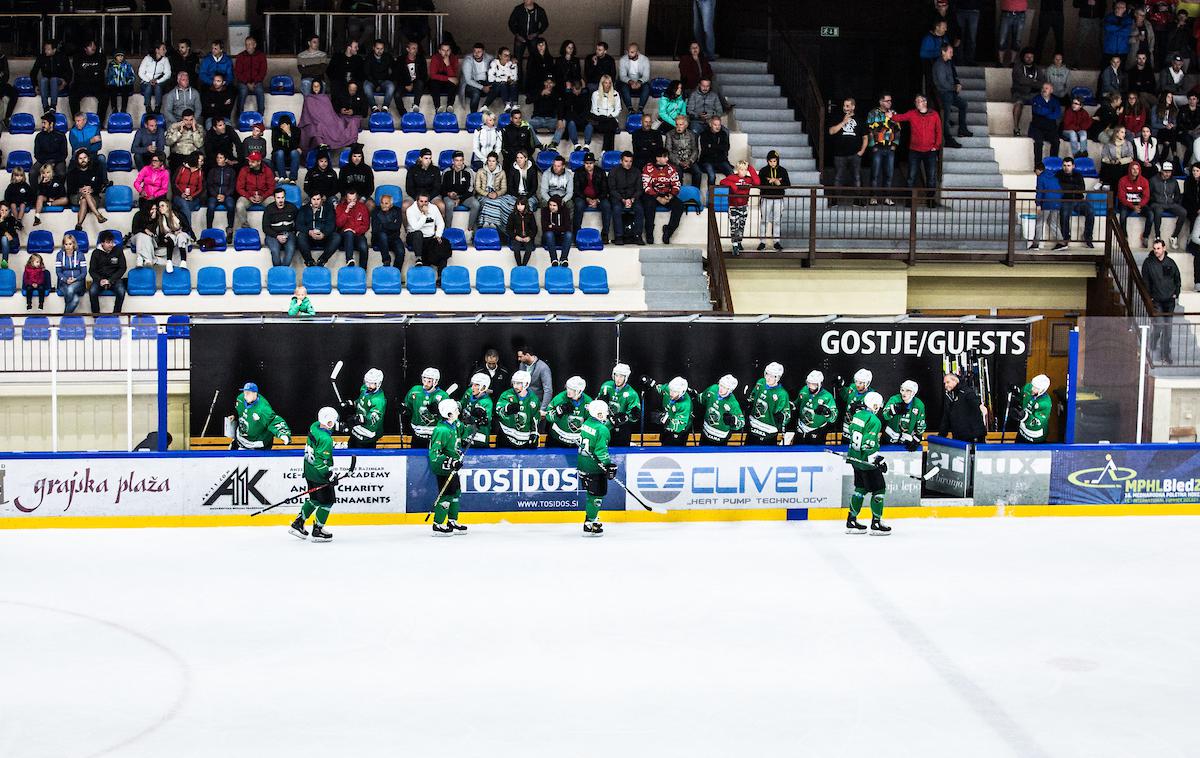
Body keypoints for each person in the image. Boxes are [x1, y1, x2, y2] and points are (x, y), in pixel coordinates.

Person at [287, 406, 339, 542]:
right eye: (333, 421)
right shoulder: (327, 440)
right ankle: (318, 530)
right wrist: (329, 475)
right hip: (319, 474)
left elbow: (323, 432)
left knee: (315, 499)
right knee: (327, 502)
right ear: (329, 422)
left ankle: (298, 523)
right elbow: (319, 461)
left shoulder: (314, 426)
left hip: (308, 472)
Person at [845, 391, 890, 535]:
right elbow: (868, 444)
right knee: (879, 490)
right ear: (875, 405)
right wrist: (877, 459)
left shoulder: (857, 415)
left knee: (861, 488)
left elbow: (851, 434)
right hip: (866, 462)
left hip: (854, 459)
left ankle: (851, 520)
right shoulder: (874, 420)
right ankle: (876, 523)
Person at [427, 398, 468, 536]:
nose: (458, 411)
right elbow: (434, 454)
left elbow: (462, 435)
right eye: (456, 410)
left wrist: (475, 425)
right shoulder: (442, 430)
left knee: (455, 492)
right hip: (443, 468)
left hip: (452, 467)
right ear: (449, 414)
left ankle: (452, 521)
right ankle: (438, 524)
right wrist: (451, 462)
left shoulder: (454, 424)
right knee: (446, 495)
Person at [894, 94, 943, 199]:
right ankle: (909, 200)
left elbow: (939, 131)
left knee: (931, 177)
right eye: (916, 101)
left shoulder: (934, 114)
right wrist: (891, 116)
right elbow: (900, 117)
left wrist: (936, 146)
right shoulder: (912, 113)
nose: (917, 103)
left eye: (919, 101)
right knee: (911, 177)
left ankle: (930, 200)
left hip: (930, 151)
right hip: (915, 150)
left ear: (925, 102)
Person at [1142, 238, 1181, 363]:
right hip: (1156, 300)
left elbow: (1177, 279)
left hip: (1169, 301)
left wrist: (1176, 293)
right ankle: (1153, 342)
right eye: (1154, 248)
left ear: (1164, 248)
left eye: (1158, 248)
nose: (1156, 251)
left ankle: (1166, 355)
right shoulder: (1148, 263)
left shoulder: (1171, 262)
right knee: (1159, 325)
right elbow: (1146, 281)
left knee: (1168, 329)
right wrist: (1149, 297)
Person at [298, 79, 362, 153]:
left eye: (317, 86)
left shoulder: (325, 98)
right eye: (314, 86)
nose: (316, 88)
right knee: (319, 126)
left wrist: (330, 121)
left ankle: (350, 142)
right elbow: (308, 114)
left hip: (327, 121)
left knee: (339, 123)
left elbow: (330, 113)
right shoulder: (308, 99)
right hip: (314, 121)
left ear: (321, 87)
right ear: (311, 87)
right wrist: (319, 120)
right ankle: (322, 145)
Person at [229, 382, 291, 452]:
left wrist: (283, 434)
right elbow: (240, 409)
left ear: (255, 393)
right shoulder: (241, 398)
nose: (245, 396)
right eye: (244, 392)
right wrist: (234, 415)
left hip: (257, 444)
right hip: (241, 440)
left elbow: (273, 420)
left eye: (248, 393)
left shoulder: (263, 409)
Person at [641, 149, 684, 244]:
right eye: (664, 157)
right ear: (657, 158)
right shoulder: (648, 168)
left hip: (667, 194)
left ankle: (668, 231)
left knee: (680, 205)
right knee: (648, 205)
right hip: (652, 195)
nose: (667, 159)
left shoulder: (671, 169)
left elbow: (676, 184)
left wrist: (671, 195)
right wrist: (658, 197)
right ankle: (649, 233)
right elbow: (646, 186)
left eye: (667, 156)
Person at [828, 98, 866, 205]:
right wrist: (843, 122)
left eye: (848, 106)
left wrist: (862, 151)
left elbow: (865, 137)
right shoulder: (837, 118)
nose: (845, 108)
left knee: (857, 177)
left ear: (853, 107)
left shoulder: (859, 119)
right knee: (838, 177)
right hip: (839, 154)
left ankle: (858, 200)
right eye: (844, 106)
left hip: (855, 154)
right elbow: (831, 131)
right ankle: (834, 200)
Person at [718, 160, 760, 255]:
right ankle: (735, 245)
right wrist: (732, 185)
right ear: (737, 169)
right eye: (741, 169)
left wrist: (750, 168)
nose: (743, 172)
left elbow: (757, 182)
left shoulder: (749, 179)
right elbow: (722, 181)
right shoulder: (733, 177)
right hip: (733, 206)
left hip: (744, 206)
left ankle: (739, 242)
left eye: (745, 170)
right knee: (734, 226)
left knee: (741, 225)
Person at [742, 363, 789, 446]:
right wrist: (748, 403)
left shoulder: (782, 394)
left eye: (772, 376)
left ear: (777, 378)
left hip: (768, 433)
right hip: (753, 429)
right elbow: (752, 398)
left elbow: (787, 414)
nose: (768, 378)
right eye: (767, 374)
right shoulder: (761, 383)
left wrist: (782, 417)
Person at [1051, 156, 1093, 249]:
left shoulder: (1078, 175)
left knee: (1090, 211)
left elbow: (1081, 189)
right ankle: (1065, 239)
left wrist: (1066, 187)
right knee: (1064, 214)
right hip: (1066, 200)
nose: (1066, 168)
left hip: (1079, 200)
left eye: (1068, 165)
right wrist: (1073, 187)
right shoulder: (1058, 175)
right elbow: (1058, 188)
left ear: (1073, 166)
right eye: (1064, 165)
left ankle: (1088, 237)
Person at [404, 368, 451, 449]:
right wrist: (404, 410)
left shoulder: (443, 396)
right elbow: (409, 408)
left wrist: (438, 412)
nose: (425, 384)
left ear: (435, 382)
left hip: (435, 436)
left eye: (429, 381)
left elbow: (449, 418)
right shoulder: (415, 390)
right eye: (424, 380)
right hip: (417, 434)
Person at [406, 194, 452, 277]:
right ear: (417, 201)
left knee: (443, 246)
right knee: (418, 234)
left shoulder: (434, 208)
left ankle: (441, 276)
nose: (423, 203)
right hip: (414, 237)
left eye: (426, 201)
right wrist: (424, 214)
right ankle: (418, 258)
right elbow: (416, 227)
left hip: (430, 237)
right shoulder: (410, 210)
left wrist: (438, 235)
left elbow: (441, 223)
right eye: (421, 201)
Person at [494, 369, 541, 449]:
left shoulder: (534, 399)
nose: (515, 386)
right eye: (514, 383)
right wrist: (507, 408)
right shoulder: (506, 394)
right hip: (505, 436)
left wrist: (534, 434)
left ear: (526, 384)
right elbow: (498, 410)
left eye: (518, 383)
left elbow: (535, 418)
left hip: (524, 439)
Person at [866, 94, 899, 204]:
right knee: (875, 173)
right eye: (887, 101)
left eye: (890, 100)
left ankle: (887, 197)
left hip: (890, 148)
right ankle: (873, 197)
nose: (889, 102)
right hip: (877, 148)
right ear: (881, 102)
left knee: (889, 173)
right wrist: (873, 145)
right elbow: (869, 131)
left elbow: (898, 130)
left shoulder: (894, 113)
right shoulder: (873, 113)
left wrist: (895, 144)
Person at [642, 375, 692, 446]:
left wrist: (665, 420)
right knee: (663, 440)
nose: (671, 393)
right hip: (667, 420)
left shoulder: (685, 404)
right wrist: (651, 383)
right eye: (671, 390)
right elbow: (661, 388)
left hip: (679, 431)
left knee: (674, 446)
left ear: (681, 392)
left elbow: (680, 425)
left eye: (674, 392)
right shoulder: (670, 389)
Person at [344, 368, 387, 450]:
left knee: (364, 458)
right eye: (367, 382)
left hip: (367, 435)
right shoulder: (364, 389)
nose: (368, 385)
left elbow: (374, 418)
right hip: (356, 430)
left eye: (371, 383)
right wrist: (351, 403)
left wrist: (361, 419)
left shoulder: (378, 400)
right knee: (351, 448)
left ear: (378, 383)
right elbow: (361, 402)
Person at [608, 151, 644, 245]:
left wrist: (632, 199)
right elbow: (612, 189)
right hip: (618, 198)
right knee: (616, 209)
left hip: (633, 198)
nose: (628, 164)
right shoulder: (614, 171)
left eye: (630, 161)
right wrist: (623, 200)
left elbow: (639, 189)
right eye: (626, 161)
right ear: (621, 161)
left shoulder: (636, 171)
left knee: (639, 209)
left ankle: (637, 236)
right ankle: (619, 236)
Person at [66, 149, 107, 232]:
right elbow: (70, 189)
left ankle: (79, 224)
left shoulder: (95, 170)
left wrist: (91, 189)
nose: (83, 160)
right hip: (76, 196)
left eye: (85, 157)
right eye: (80, 158)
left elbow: (100, 186)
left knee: (85, 199)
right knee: (85, 196)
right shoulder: (72, 172)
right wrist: (79, 189)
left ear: (88, 158)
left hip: (93, 197)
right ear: (77, 160)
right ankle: (98, 215)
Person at [86, 230, 127, 314]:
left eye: (112, 242)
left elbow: (122, 268)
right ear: (102, 243)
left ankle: (116, 314)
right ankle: (96, 315)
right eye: (108, 242)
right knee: (92, 292)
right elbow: (92, 270)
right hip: (99, 279)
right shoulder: (95, 253)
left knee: (121, 291)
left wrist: (111, 280)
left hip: (114, 279)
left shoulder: (118, 251)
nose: (111, 245)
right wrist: (100, 280)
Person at [1148, 161, 1187, 248]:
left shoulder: (1173, 181)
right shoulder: (1153, 180)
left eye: (1169, 172)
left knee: (1183, 212)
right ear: (1161, 171)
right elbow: (1148, 194)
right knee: (1157, 212)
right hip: (1157, 203)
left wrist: (1174, 201)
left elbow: (1177, 194)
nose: (1167, 174)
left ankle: (1174, 236)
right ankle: (1157, 236)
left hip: (1170, 203)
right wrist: (1154, 200)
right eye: (1166, 172)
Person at [545, 376, 592, 448]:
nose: (568, 391)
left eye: (572, 389)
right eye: (568, 387)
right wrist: (559, 412)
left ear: (579, 391)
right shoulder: (560, 398)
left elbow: (593, 423)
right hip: (557, 440)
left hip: (576, 442)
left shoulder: (588, 402)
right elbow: (548, 416)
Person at [939, 372, 987, 442]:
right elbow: (946, 418)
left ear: (955, 381)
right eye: (944, 383)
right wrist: (941, 436)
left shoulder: (966, 391)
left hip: (973, 436)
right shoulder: (949, 397)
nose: (946, 385)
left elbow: (975, 401)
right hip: (959, 438)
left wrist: (981, 406)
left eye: (948, 382)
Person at [508, 0, 550, 81]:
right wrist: (517, 34)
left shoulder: (539, 10)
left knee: (534, 60)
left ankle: (532, 82)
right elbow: (511, 22)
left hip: (533, 38)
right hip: (520, 37)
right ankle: (518, 85)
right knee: (517, 61)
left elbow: (545, 23)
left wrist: (537, 33)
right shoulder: (518, 9)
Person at [792, 370, 836, 446]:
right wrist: (792, 406)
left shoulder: (827, 397)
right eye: (809, 383)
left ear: (820, 384)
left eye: (814, 384)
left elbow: (834, 417)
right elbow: (797, 403)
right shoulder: (804, 389)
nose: (811, 387)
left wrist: (827, 413)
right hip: (801, 428)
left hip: (816, 431)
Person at [698, 375, 745, 446]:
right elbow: (701, 399)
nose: (721, 389)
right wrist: (694, 396)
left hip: (720, 439)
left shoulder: (732, 403)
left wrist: (733, 421)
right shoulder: (713, 389)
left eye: (724, 387)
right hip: (705, 433)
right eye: (721, 385)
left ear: (730, 390)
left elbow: (741, 422)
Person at [756, 150, 789, 249]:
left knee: (777, 221)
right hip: (766, 199)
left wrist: (779, 183)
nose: (772, 163)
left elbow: (787, 184)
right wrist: (769, 182)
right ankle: (762, 242)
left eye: (774, 161)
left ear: (777, 161)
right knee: (764, 220)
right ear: (767, 161)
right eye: (770, 161)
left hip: (778, 199)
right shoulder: (763, 171)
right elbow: (758, 184)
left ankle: (776, 242)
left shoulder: (783, 170)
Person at [235, 151, 276, 229]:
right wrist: (249, 196)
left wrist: (263, 197)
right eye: (249, 161)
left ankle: (272, 226)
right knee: (239, 205)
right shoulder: (244, 170)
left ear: (259, 162)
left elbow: (272, 187)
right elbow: (239, 187)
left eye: (252, 161)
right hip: (249, 196)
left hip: (264, 195)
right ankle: (245, 226)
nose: (250, 163)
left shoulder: (267, 170)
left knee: (274, 203)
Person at [572, 152, 609, 238]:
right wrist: (587, 199)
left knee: (606, 205)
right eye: (586, 163)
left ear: (594, 163)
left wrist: (597, 200)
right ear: (584, 163)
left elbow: (605, 189)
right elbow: (577, 190)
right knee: (579, 204)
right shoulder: (578, 172)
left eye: (591, 163)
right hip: (583, 197)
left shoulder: (601, 172)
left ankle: (605, 234)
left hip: (598, 197)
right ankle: (576, 233)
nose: (589, 165)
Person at [297, 191, 338, 266]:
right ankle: (309, 261)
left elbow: (331, 225)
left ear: (321, 199)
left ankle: (322, 260)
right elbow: (299, 225)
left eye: (318, 199)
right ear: (310, 199)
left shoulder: (328, 209)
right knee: (300, 236)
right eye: (314, 199)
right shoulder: (304, 209)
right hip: (309, 237)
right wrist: (309, 232)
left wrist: (324, 234)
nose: (316, 202)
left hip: (323, 237)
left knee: (336, 237)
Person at [1029, 159, 1063, 250]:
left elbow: (1040, 191)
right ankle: (1061, 243)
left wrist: (1038, 204)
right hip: (1057, 203)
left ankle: (1035, 244)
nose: (1035, 174)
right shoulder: (1054, 176)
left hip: (1046, 203)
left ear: (1038, 170)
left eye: (1035, 171)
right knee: (1053, 223)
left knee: (1039, 223)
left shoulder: (1041, 177)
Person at [882, 380, 926, 450]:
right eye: (902, 390)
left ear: (913, 393)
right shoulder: (895, 399)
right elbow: (885, 415)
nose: (904, 393)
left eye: (908, 391)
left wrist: (917, 439)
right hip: (890, 436)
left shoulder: (918, 405)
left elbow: (920, 424)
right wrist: (892, 411)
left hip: (906, 439)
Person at [474, 152, 513, 231]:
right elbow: (477, 188)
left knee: (497, 202)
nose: (491, 163)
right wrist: (487, 194)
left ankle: (491, 223)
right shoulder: (480, 171)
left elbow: (504, 188)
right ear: (487, 161)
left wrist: (496, 194)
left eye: (493, 161)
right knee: (489, 202)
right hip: (483, 195)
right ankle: (488, 224)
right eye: (489, 161)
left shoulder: (502, 172)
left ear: (497, 162)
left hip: (496, 195)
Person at [1010, 48, 1043, 138]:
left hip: (1034, 94)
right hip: (1019, 93)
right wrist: (1034, 82)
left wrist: (1029, 82)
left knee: (1041, 105)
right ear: (1023, 57)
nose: (1029, 58)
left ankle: (1038, 130)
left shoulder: (1038, 68)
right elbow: (1020, 80)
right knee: (1018, 104)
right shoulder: (1017, 66)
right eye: (1027, 57)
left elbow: (1041, 83)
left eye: (1031, 57)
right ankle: (1016, 128)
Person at [262, 188, 299, 267]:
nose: (281, 200)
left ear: (285, 197)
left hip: (288, 233)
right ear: (274, 198)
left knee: (291, 249)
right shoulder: (269, 209)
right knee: (275, 250)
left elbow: (298, 223)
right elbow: (265, 227)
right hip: (273, 234)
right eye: (278, 198)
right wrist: (277, 236)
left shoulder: (292, 207)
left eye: (282, 197)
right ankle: (277, 271)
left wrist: (293, 233)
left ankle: (283, 271)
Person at [440, 150, 476, 230]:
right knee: (449, 205)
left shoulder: (468, 171)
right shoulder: (446, 172)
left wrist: (460, 199)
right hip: (449, 196)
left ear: (463, 161)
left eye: (461, 160)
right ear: (453, 161)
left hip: (465, 197)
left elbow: (471, 189)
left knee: (476, 204)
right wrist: (449, 193)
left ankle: (470, 229)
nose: (459, 163)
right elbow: (442, 188)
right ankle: (448, 229)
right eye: (457, 160)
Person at [334, 189, 370, 268]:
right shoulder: (340, 207)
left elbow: (366, 225)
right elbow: (338, 224)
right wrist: (346, 211)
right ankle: (349, 260)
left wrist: (355, 230)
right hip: (344, 235)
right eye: (349, 199)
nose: (352, 201)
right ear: (346, 198)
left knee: (364, 247)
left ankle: (363, 271)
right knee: (349, 233)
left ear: (356, 198)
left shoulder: (362, 207)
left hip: (358, 234)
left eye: (354, 199)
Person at [31, 41, 70, 113]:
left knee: (54, 79)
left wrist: (65, 81)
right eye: (45, 49)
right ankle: (45, 107)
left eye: (48, 49)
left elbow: (69, 71)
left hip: (58, 81)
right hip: (46, 82)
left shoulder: (62, 56)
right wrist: (35, 85)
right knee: (43, 80)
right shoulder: (41, 57)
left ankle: (53, 106)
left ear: (54, 50)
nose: (45, 51)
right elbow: (33, 72)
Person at [404, 149, 446, 216]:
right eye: (426, 158)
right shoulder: (412, 169)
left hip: (431, 196)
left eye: (430, 158)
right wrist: (418, 199)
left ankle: (441, 226)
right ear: (420, 158)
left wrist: (428, 199)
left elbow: (437, 188)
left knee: (441, 206)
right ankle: (407, 226)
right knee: (405, 206)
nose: (428, 161)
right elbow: (409, 187)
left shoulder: (436, 170)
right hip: (415, 195)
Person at [1029, 82, 1063, 163]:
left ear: (1051, 90)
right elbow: (1038, 111)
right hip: (1037, 128)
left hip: (1050, 128)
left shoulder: (1055, 101)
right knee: (1038, 142)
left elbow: (1057, 114)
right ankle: (1038, 165)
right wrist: (1050, 111)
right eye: (1043, 88)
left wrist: (1046, 112)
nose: (1044, 90)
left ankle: (1052, 164)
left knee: (1056, 142)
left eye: (1046, 88)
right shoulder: (1036, 99)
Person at [585, 76, 622, 152]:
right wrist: (603, 117)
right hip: (599, 120)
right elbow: (594, 110)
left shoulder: (616, 94)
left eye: (609, 83)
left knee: (610, 125)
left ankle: (604, 151)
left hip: (611, 118)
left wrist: (611, 115)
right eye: (606, 83)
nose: (608, 85)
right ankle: (609, 152)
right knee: (611, 126)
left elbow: (618, 109)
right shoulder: (595, 94)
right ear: (602, 84)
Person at [204, 150, 237, 235]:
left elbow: (232, 186)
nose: (218, 160)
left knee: (231, 205)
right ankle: (209, 229)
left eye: (221, 158)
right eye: (217, 158)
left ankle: (230, 229)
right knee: (210, 206)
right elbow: (209, 185)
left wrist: (225, 195)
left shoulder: (231, 171)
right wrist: (216, 195)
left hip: (227, 195)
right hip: (214, 195)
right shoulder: (212, 171)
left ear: (225, 160)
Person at [838, 368, 876, 440]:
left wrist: (861, 409)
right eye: (856, 381)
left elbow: (873, 413)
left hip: (860, 428)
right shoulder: (852, 387)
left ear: (867, 383)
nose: (857, 384)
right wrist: (840, 388)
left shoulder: (871, 395)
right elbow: (845, 396)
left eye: (860, 383)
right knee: (845, 445)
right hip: (847, 424)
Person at [459, 373, 495, 448]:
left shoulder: (487, 402)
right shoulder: (469, 392)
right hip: (465, 433)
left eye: (476, 385)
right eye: (472, 384)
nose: (472, 387)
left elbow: (484, 421)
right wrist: (455, 405)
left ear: (483, 387)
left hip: (479, 436)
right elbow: (462, 404)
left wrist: (478, 416)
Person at [370, 193, 405, 268]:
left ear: (391, 204)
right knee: (382, 235)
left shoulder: (397, 211)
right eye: (382, 203)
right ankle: (386, 260)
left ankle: (396, 271)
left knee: (401, 251)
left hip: (394, 238)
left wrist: (383, 225)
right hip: (379, 239)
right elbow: (376, 229)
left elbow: (397, 226)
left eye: (386, 203)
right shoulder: (376, 211)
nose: (384, 205)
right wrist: (390, 224)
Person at [698, 115, 734, 186]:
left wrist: (712, 146)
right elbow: (705, 150)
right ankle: (710, 196)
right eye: (715, 125)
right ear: (710, 124)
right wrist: (719, 147)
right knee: (712, 176)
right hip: (707, 161)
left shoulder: (723, 134)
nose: (717, 127)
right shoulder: (704, 134)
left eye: (719, 125)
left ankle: (729, 195)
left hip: (721, 160)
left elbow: (726, 147)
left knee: (731, 174)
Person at [55, 233, 86, 314]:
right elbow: (58, 272)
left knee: (70, 289)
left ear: (74, 244)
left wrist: (76, 279)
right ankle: (66, 320)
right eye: (66, 244)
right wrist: (65, 280)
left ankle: (63, 319)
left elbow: (84, 272)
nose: (68, 246)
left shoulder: (80, 255)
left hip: (78, 282)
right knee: (75, 300)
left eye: (70, 244)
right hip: (64, 283)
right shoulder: (59, 255)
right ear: (63, 245)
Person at [172, 155, 203, 234]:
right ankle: (188, 232)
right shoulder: (181, 169)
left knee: (184, 208)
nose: (202, 162)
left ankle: (184, 231)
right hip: (179, 197)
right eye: (200, 160)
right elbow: (174, 183)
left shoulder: (200, 172)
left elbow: (201, 188)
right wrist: (181, 193)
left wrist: (192, 196)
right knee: (184, 204)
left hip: (193, 198)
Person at [1016, 375, 1052, 443]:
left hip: (1035, 437)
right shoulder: (1028, 388)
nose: (1032, 388)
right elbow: (1021, 397)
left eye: (1036, 388)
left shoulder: (1045, 403)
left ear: (1042, 390)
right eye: (1033, 386)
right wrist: (1016, 393)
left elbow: (1037, 422)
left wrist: (1025, 417)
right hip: (1022, 431)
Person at [362, 39, 395, 114]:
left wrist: (388, 78)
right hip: (372, 81)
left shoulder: (388, 57)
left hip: (384, 81)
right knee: (366, 86)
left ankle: (385, 107)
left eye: (381, 49)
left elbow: (394, 70)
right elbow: (367, 73)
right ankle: (374, 107)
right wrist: (376, 84)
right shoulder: (369, 58)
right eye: (377, 48)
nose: (380, 51)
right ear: (373, 48)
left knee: (391, 86)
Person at [68, 111, 106, 176]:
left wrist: (83, 147)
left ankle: (104, 182)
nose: (76, 123)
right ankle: (72, 185)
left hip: (92, 155)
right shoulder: (72, 131)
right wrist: (90, 141)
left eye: (78, 121)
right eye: (75, 121)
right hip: (77, 156)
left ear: (85, 121)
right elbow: (75, 146)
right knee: (71, 165)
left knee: (101, 158)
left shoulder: (95, 129)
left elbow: (98, 146)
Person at [33, 113, 68, 180]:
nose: (42, 125)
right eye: (42, 123)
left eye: (44, 123)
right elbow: (37, 153)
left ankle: (60, 190)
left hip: (58, 161)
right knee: (32, 172)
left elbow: (64, 154)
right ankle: (36, 190)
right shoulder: (39, 136)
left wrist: (53, 162)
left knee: (61, 173)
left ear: (51, 124)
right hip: (43, 160)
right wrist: (47, 162)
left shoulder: (61, 135)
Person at [139, 42, 172, 113]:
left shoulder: (165, 60)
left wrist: (157, 81)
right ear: (157, 50)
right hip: (146, 82)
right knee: (149, 86)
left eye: (165, 49)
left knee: (158, 86)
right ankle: (148, 107)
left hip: (159, 82)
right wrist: (149, 80)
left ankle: (158, 107)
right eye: (163, 49)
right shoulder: (147, 58)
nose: (165, 50)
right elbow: (140, 72)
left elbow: (168, 74)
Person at [395, 40, 427, 112]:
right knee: (397, 95)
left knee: (420, 83)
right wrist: (406, 85)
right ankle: (403, 114)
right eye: (413, 48)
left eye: (416, 48)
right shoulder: (401, 60)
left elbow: (424, 75)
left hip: (416, 83)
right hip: (403, 83)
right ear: (408, 49)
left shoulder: (421, 59)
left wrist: (412, 84)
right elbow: (396, 75)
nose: (415, 50)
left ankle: (415, 106)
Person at [429, 42, 461, 113]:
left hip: (448, 83)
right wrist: (448, 78)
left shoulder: (454, 58)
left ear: (450, 51)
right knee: (433, 83)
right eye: (443, 50)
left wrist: (448, 64)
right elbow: (433, 75)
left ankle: (450, 106)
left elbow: (454, 77)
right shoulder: (435, 58)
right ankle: (437, 107)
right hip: (438, 81)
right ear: (439, 51)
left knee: (453, 83)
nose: (446, 53)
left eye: (448, 50)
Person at [618, 43, 650, 112]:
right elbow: (622, 76)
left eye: (632, 52)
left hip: (640, 82)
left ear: (637, 52)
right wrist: (630, 82)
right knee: (623, 86)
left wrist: (639, 82)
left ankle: (640, 108)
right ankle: (630, 109)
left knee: (647, 86)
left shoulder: (645, 60)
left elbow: (646, 76)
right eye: (628, 52)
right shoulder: (623, 60)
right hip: (628, 82)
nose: (629, 54)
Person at [541, 196, 573, 266]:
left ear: (559, 205)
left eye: (554, 205)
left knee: (569, 234)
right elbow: (544, 228)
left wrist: (553, 226)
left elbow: (567, 228)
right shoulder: (545, 211)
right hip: (549, 238)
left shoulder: (565, 211)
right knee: (549, 234)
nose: (551, 207)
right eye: (550, 205)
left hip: (561, 237)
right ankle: (554, 259)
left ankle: (563, 259)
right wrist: (560, 228)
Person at [464, 44, 497, 114]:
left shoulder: (489, 58)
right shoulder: (468, 60)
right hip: (470, 85)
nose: (476, 54)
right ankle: (473, 115)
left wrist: (512, 59)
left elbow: (500, 59)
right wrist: (482, 87)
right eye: (475, 51)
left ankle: (484, 107)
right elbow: (468, 80)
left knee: (498, 86)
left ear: (483, 52)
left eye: (479, 51)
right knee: (476, 93)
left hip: (485, 83)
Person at [488, 47, 520, 112]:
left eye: (509, 55)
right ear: (500, 56)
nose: (507, 57)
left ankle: (514, 105)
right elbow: (490, 79)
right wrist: (505, 79)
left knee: (514, 83)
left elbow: (515, 78)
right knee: (503, 84)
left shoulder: (511, 63)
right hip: (498, 88)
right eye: (505, 55)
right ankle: (507, 104)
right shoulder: (494, 63)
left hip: (509, 87)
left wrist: (514, 65)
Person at [105, 50, 137, 116]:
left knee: (125, 90)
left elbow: (133, 76)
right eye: (118, 56)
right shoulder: (112, 65)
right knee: (112, 91)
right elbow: (108, 76)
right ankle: (114, 109)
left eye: (122, 56)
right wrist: (111, 82)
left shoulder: (127, 65)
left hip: (125, 84)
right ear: (115, 57)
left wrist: (127, 81)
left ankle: (123, 109)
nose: (120, 57)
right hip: (114, 85)